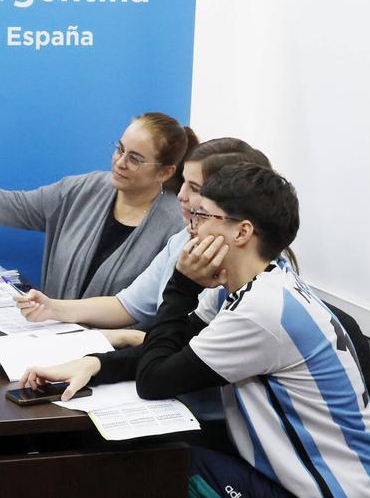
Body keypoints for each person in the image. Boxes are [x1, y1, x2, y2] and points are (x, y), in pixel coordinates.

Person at [22, 163, 370, 498]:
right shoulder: (258, 286)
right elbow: (179, 343)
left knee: (156, 471)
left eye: (203, 216)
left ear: (242, 231)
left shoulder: (262, 312)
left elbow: (156, 380)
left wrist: (182, 285)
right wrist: (97, 364)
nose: (192, 227)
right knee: (158, 457)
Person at [0, 113, 197, 299]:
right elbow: (16, 206)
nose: (120, 162)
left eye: (135, 158)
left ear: (165, 172)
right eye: (120, 149)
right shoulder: (83, 189)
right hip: (50, 342)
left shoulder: (175, 226)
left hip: (116, 363)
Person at [15, 138, 270, 348]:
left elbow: (191, 353)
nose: (180, 195)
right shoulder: (182, 238)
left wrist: (130, 338)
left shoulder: (243, 271)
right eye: (183, 183)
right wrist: (52, 308)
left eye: (194, 188)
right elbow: (127, 304)